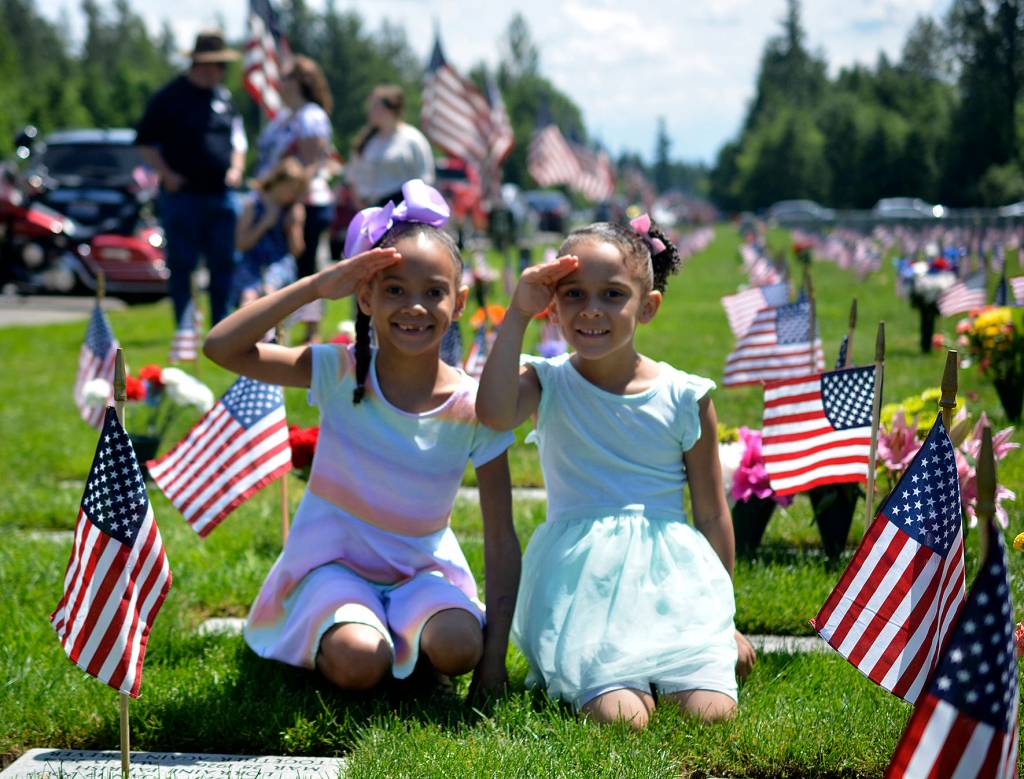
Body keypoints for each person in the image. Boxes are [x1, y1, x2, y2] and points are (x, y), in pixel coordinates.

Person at [203, 179, 520, 696]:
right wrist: (314, 287)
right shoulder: (341, 371)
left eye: (433, 292)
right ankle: (359, 637)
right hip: (335, 570)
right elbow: (221, 347)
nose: (414, 306)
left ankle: (402, 634)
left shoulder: (474, 405)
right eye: (394, 290)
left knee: (462, 646)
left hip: (420, 573)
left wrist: (494, 660)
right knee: (358, 661)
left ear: (459, 302)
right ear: (367, 296)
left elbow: (502, 537)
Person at [476, 217, 757, 729]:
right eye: (573, 294)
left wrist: (724, 621)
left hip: (673, 585)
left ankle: (685, 664)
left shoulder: (685, 395)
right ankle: (613, 683)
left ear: (646, 307)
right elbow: (492, 412)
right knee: (623, 721)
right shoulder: (547, 382)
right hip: (586, 587)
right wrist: (516, 315)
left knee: (711, 716)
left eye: (612, 295)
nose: (590, 310)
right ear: (552, 304)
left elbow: (713, 515)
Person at [136, 30, 247, 326]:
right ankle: (184, 326)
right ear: (200, 64)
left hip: (221, 194)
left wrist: (236, 168)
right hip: (183, 195)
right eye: (216, 64)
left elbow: (238, 139)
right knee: (183, 263)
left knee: (224, 262)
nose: (221, 72)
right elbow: (145, 142)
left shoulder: (224, 98)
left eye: (224, 65)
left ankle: (222, 323)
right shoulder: (170, 97)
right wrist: (167, 174)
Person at [255, 55, 336, 343]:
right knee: (282, 266)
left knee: (307, 271)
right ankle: (278, 327)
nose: (280, 81)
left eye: (286, 77)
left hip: (305, 203)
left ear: (301, 82)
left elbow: (310, 165)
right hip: (278, 202)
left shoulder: (311, 117)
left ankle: (311, 331)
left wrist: (297, 205)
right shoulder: (283, 117)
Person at [233, 157, 309, 307]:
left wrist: (295, 226)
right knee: (248, 296)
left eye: (296, 191)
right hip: (251, 261)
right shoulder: (253, 203)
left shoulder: (291, 209)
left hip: (279, 262)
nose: (292, 195)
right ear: (277, 182)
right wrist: (264, 224)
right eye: (290, 189)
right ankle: (248, 330)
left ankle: (269, 330)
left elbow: (297, 251)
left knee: (269, 292)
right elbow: (240, 244)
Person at [347, 85, 435, 209]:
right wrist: (360, 206)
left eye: (375, 106)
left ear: (389, 109)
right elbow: (353, 176)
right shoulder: (368, 141)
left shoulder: (412, 139)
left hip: (402, 208)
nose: (370, 111)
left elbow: (425, 178)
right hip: (372, 208)